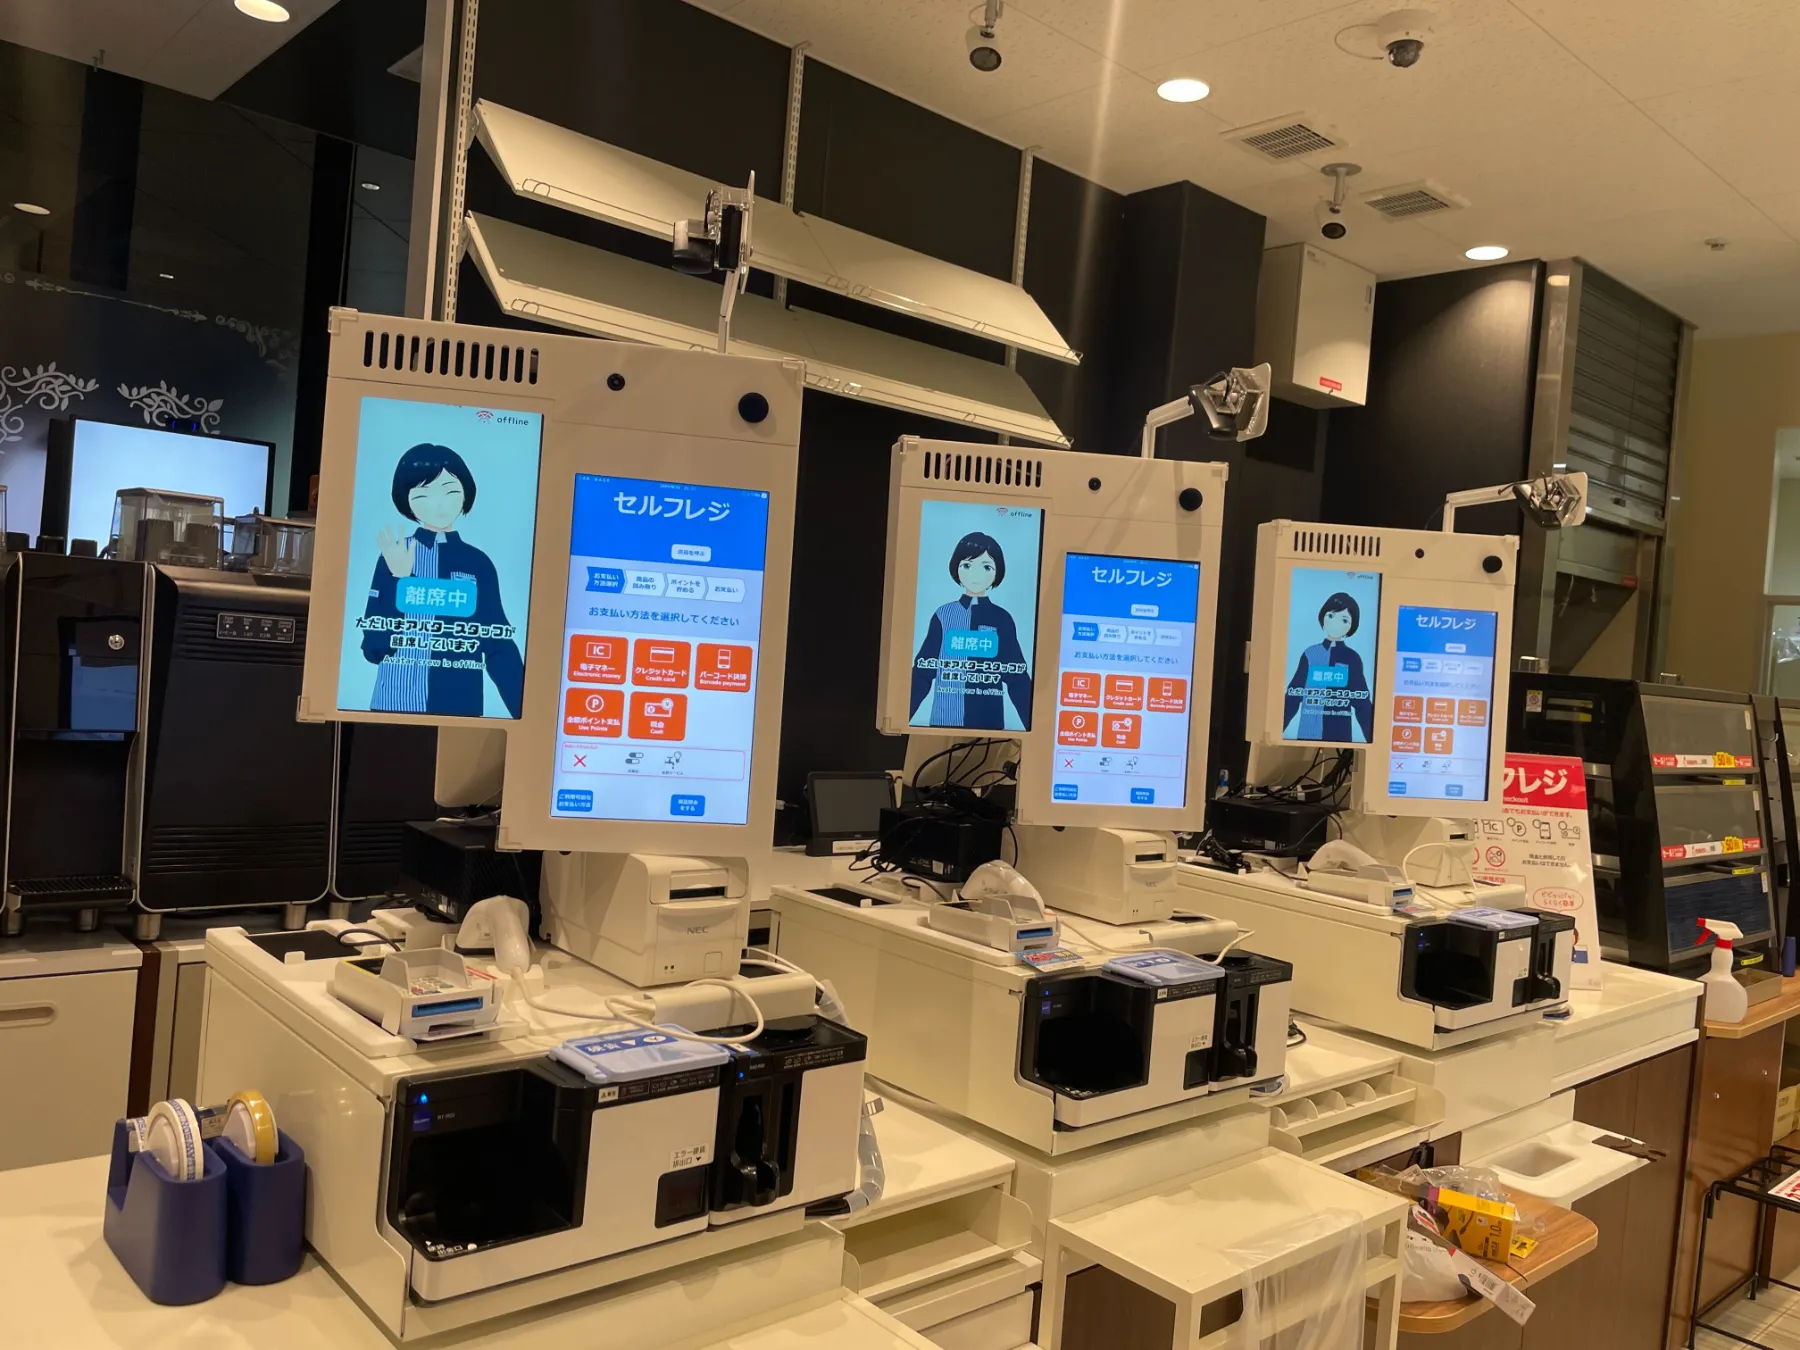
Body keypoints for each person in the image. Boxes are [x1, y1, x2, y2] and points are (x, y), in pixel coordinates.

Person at [358, 442, 524, 718]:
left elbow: (497, 644)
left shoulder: (478, 563)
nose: (438, 504)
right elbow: (374, 648)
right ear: (406, 500)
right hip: (393, 707)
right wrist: (400, 579)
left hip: (459, 710)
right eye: (423, 494)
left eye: (449, 491)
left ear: (465, 494)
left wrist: (526, 713)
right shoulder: (393, 555)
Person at [909, 530, 1032, 730]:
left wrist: (1035, 726)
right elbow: (923, 671)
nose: (976, 575)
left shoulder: (1002, 618)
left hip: (989, 721)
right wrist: (901, 716)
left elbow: (1017, 676)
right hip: (946, 718)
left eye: (986, 567)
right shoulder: (943, 614)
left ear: (997, 572)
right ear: (956, 568)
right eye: (967, 565)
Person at [1282, 590, 1373, 743]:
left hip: (1339, 734)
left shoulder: (1352, 658)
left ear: (1352, 625)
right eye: (1331, 616)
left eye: (1344, 620)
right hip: (1309, 732)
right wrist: (1275, 728)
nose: (1335, 624)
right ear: (1322, 617)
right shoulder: (1310, 653)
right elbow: (1293, 695)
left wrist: (1374, 738)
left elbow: (1362, 702)